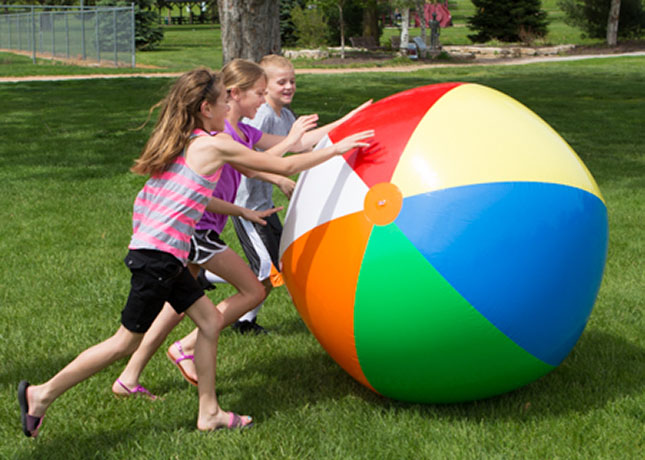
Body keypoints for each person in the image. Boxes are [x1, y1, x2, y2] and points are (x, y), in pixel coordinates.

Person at [17, 66, 373, 437]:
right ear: (206, 107)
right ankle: (41, 395)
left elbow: (189, 198)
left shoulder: (185, 142)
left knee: (207, 322)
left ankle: (210, 413)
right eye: (222, 102)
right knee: (123, 343)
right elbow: (283, 164)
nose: (226, 109)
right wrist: (337, 150)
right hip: (158, 258)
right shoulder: (211, 143)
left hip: (162, 255)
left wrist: (240, 211)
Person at [111, 58, 370, 392]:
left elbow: (293, 148)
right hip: (195, 231)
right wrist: (304, 150)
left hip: (198, 231)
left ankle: (130, 377)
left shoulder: (244, 131)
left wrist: (347, 122)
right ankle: (185, 351)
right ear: (233, 95)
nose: (263, 100)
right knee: (256, 285)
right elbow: (271, 161)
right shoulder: (220, 135)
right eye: (258, 93)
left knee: (174, 308)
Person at [227, 54, 371, 333]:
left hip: (265, 205)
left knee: (278, 265)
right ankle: (216, 289)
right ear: (263, 87)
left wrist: (348, 120)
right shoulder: (262, 115)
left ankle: (244, 320)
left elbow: (303, 143)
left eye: (292, 81)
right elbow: (251, 161)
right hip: (245, 207)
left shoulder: (285, 115)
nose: (289, 86)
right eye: (281, 82)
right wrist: (279, 178)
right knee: (267, 268)